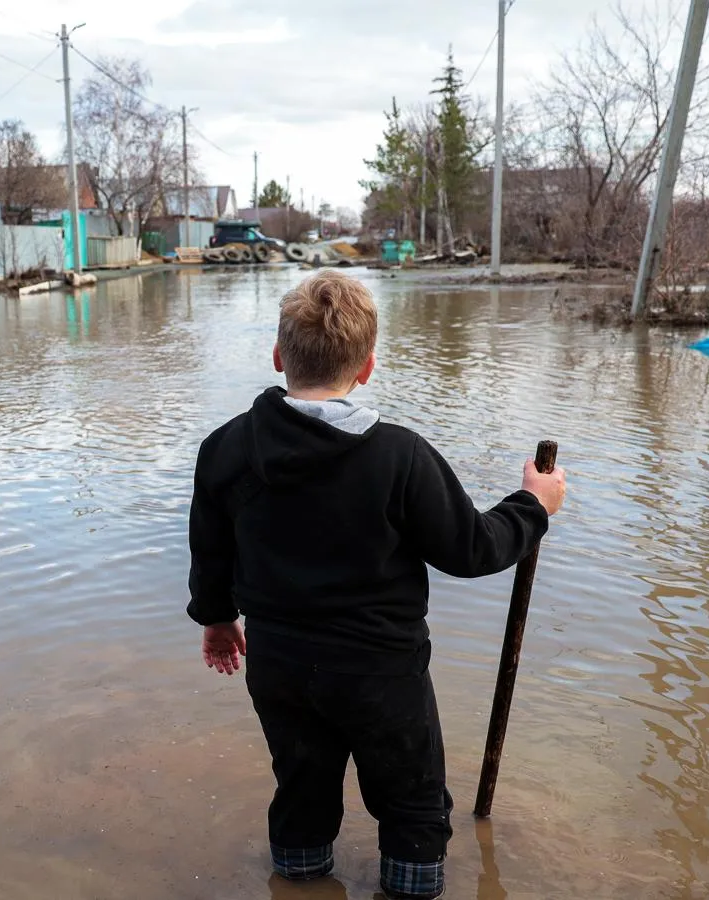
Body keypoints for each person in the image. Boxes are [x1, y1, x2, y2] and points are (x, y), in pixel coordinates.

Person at [186, 271, 566, 900]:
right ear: (366, 367)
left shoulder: (226, 447)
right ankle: (410, 887)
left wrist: (218, 618)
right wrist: (533, 505)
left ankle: (300, 883)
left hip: (279, 662)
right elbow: (472, 549)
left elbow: (211, 546)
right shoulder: (400, 456)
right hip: (380, 670)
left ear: (279, 356)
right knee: (411, 796)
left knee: (302, 785)